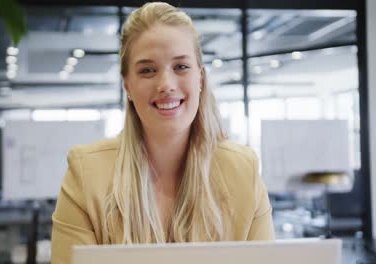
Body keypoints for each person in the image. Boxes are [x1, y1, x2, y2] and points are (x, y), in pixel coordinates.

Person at [51, 2, 274, 263]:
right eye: (147, 70)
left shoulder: (243, 170)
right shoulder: (86, 174)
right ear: (128, 88)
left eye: (181, 67)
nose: (166, 85)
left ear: (200, 79)